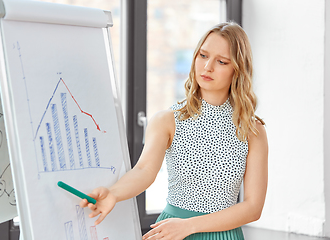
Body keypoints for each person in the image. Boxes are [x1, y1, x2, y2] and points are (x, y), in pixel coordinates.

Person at [80, 21, 268, 240]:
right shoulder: (167, 120)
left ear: (237, 69)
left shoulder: (253, 130)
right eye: (203, 56)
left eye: (221, 61)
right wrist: (113, 193)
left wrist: (190, 226)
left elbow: (253, 207)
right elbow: (143, 170)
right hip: (171, 232)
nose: (207, 67)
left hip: (220, 234)